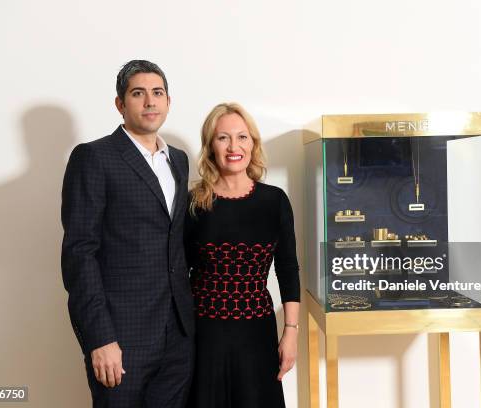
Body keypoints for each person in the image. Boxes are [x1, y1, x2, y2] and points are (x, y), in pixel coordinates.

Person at [61, 60, 194, 408]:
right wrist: (99, 338)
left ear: (167, 101)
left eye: (158, 93)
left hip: (178, 336)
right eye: (138, 93)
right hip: (121, 338)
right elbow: (79, 253)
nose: (150, 102)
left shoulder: (178, 160)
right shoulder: (94, 158)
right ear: (120, 104)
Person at [185, 102, 301, 408]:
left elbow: (288, 269)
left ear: (253, 143)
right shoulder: (194, 203)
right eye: (223, 138)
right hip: (204, 336)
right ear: (210, 146)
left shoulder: (274, 201)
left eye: (242, 137)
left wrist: (291, 332)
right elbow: (177, 272)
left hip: (256, 333)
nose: (233, 146)